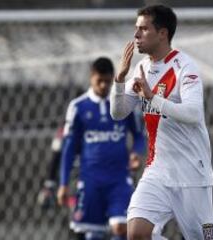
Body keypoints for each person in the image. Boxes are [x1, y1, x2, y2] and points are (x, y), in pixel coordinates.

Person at [110, 5, 213, 240]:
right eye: (136, 29)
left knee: (205, 237)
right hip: (158, 171)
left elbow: (193, 113)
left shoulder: (185, 67)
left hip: (191, 172)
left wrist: (154, 99)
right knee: (136, 233)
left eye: (143, 29)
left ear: (162, 33)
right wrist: (120, 80)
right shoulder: (141, 68)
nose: (136, 35)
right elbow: (118, 113)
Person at [57, 57, 146, 240]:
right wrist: (63, 183)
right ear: (91, 78)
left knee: (122, 228)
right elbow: (69, 148)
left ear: (113, 77)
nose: (104, 85)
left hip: (119, 180)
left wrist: (136, 153)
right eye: (100, 81)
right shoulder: (78, 107)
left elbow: (138, 135)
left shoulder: (124, 104)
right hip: (90, 181)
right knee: (92, 234)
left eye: (108, 80)